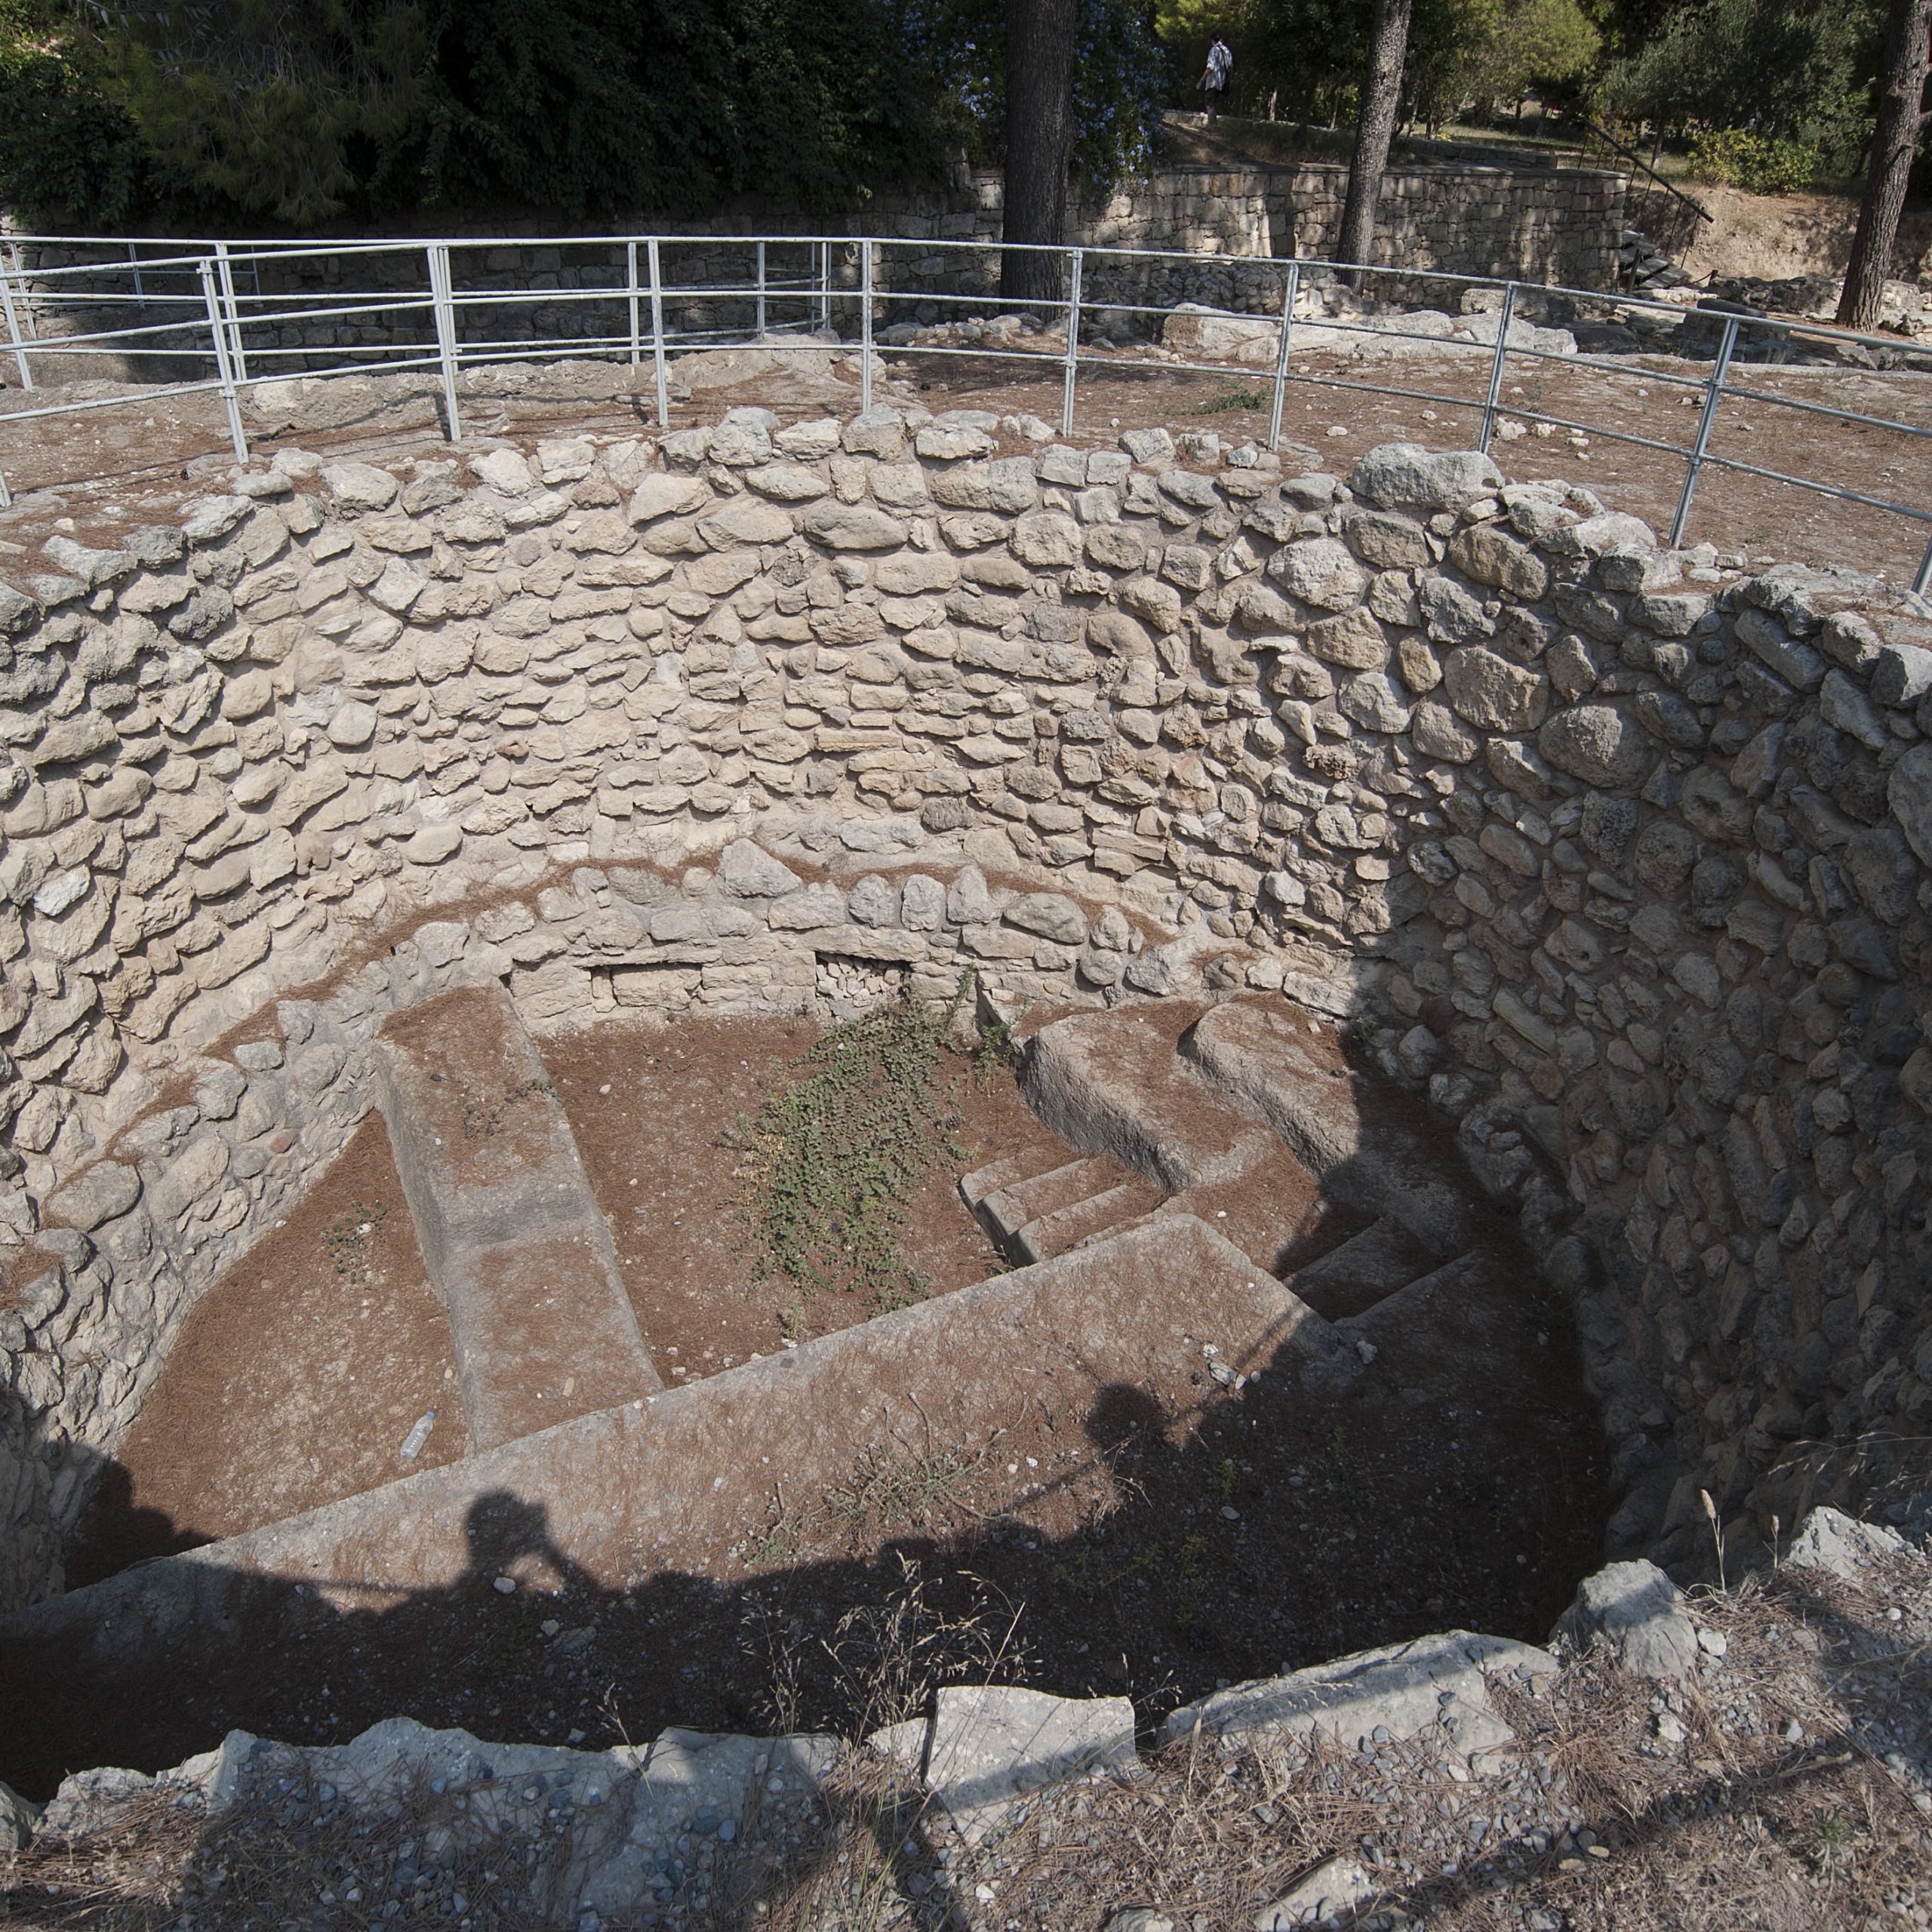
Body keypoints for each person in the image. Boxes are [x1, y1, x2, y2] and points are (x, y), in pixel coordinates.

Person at [1199, 34, 1232, 126]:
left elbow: (1210, 67)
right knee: (1213, 103)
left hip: (1213, 82)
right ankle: (1213, 126)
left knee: (1210, 104)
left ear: (1213, 41)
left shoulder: (1213, 50)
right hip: (1222, 82)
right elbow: (1230, 67)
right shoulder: (1227, 51)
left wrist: (1201, 81)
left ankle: (1212, 126)